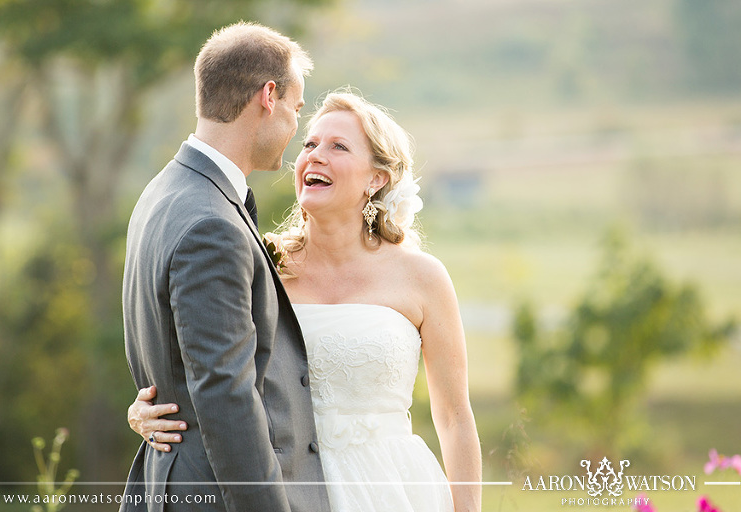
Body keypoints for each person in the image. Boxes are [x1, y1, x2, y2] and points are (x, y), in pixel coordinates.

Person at [128, 90, 483, 512]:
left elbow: (455, 418)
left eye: (338, 147)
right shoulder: (262, 264)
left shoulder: (423, 277)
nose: (315, 156)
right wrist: (145, 411)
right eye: (310, 145)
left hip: (393, 488)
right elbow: (209, 368)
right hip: (289, 486)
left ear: (377, 178)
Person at [120, 22, 331, 512]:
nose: (296, 129)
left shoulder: (162, 193)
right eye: (297, 110)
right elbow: (225, 395)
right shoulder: (211, 224)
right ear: (269, 96)